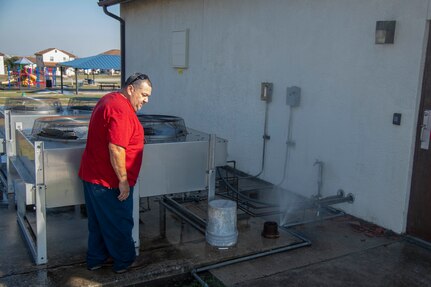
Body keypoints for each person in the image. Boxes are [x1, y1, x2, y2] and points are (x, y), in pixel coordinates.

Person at [78, 73, 152, 273]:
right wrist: (123, 180)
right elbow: (117, 148)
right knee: (120, 222)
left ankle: (96, 259)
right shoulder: (121, 110)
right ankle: (124, 261)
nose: (146, 100)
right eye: (144, 95)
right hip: (109, 182)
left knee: (99, 223)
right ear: (131, 89)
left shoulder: (109, 99)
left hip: (93, 176)